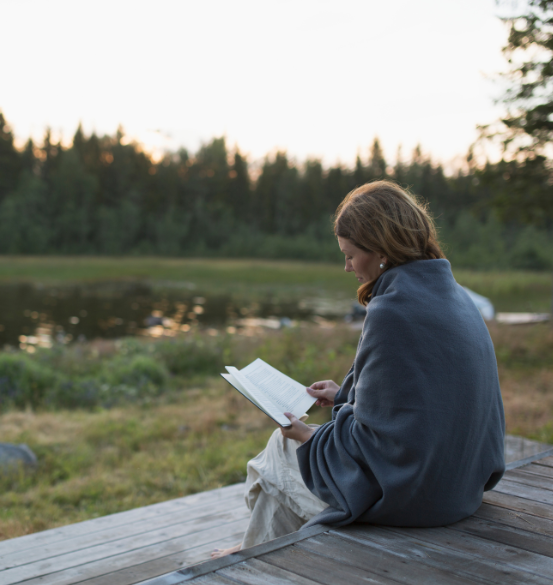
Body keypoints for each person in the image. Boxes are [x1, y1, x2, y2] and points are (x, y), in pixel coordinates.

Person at [212, 180, 506, 558]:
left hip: (419, 496)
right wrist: (346, 395)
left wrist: (308, 436)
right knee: (285, 458)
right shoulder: (456, 296)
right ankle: (255, 548)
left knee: (281, 448)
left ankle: (252, 559)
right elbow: (416, 402)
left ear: (381, 250)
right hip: (460, 485)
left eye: (350, 255)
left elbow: (377, 444)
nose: (347, 266)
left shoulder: (392, 312)